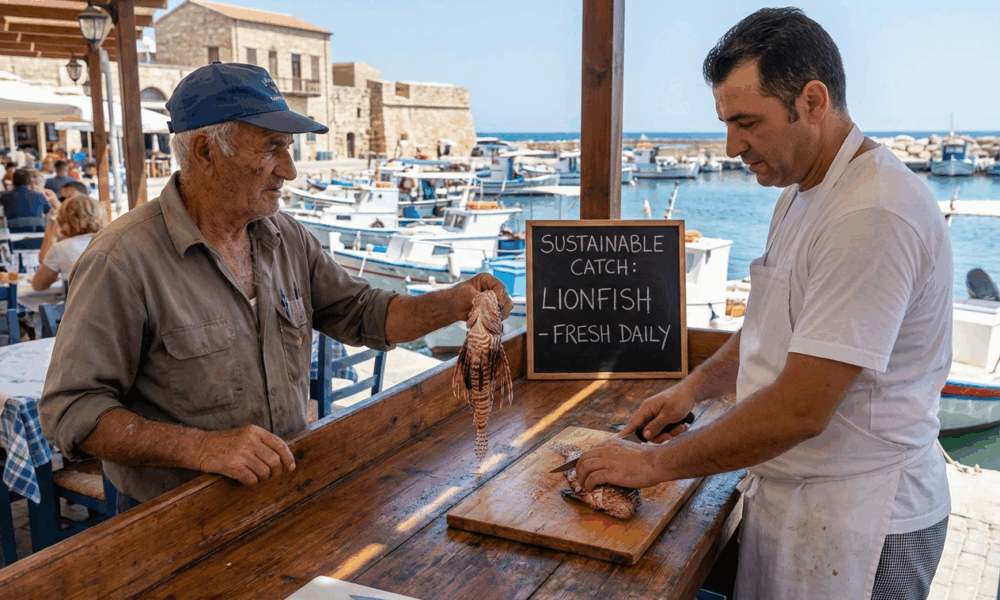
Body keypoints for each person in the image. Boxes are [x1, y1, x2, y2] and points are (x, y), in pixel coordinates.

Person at [574, 9, 952, 600]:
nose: (732, 147)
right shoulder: (802, 192)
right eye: (726, 123)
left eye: (747, 122)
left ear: (813, 99)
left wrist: (650, 466)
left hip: (863, 520)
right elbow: (769, 325)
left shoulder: (872, 213)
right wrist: (692, 390)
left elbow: (801, 408)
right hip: (799, 497)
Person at [39, 62, 513, 507]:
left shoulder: (285, 237)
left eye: (288, 149)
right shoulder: (121, 260)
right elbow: (71, 412)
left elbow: (364, 313)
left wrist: (453, 302)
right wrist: (202, 449)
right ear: (205, 151)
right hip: (172, 516)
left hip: (285, 493)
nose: (288, 169)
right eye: (271, 148)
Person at [31, 194, 105, 291]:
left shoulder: (61, 248)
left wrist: (52, 232)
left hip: (79, 304)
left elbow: (38, 285)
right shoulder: (110, 241)